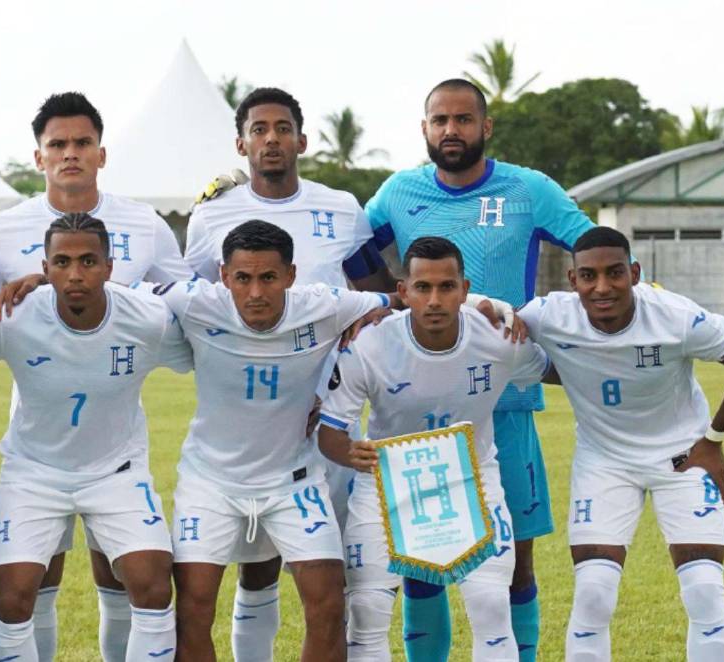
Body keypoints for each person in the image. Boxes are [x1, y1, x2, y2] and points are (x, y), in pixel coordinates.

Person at [360, 79, 601, 661]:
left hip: (507, 396)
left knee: (514, 555)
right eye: (439, 120)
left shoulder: (529, 190)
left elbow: (593, 250)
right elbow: (349, 256)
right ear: (424, 128)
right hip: (419, 401)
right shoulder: (398, 193)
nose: (451, 130)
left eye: (464, 119)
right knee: (421, 559)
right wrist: (381, 308)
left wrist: (570, 319)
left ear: (485, 127)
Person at [0, 91, 191, 661]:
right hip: (38, 444)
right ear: (39, 157)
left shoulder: (145, 225)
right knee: (30, 585)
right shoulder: (1, 229)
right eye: (57, 145)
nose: (71, 154)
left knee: (129, 580)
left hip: (115, 446)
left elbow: (188, 307)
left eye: (82, 143)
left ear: (101, 152)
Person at [186, 87, 395, 659]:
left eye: (283, 128)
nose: (271, 139)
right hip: (251, 420)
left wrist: (364, 325)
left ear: (302, 140)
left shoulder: (341, 207)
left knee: (332, 578)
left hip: (328, 415)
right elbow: (195, 302)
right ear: (241, 142)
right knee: (256, 571)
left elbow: (376, 293)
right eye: (259, 129)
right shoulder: (211, 213)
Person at [319, 236, 551, 661]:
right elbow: (330, 430)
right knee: (366, 612)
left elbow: (556, 368)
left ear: (465, 290)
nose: (435, 299)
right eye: (422, 288)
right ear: (403, 292)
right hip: (386, 484)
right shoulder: (370, 342)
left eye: (447, 287)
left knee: (491, 606)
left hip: (473, 479)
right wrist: (348, 451)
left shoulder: (498, 337)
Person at [515, 227, 724, 661]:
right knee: (593, 594)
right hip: (604, 463)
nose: (602, 287)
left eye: (615, 272)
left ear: (635, 273)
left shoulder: (677, 317)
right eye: (589, 276)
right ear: (572, 279)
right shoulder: (547, 316)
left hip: (683, 459)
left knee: (705, 593)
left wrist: (714, 439)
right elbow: (484, 321)